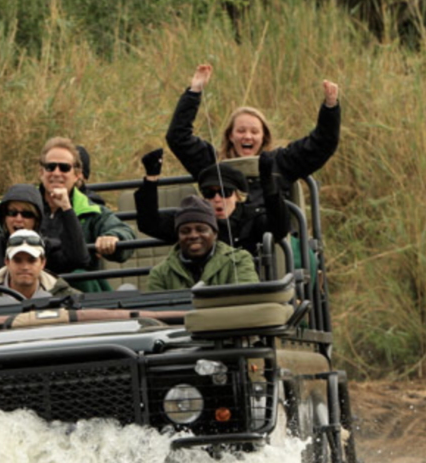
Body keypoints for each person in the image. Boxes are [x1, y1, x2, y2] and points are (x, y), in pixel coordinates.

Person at [0, 137, 136, 291]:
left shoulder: (91, 210)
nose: (56, 173)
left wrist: (113, 238)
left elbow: (125, 233)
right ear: (41, 172)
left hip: (75, 291)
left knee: (80, 276)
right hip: (25, 285)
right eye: (50, 167)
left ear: (77, 174)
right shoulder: (23, 206)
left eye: (64, 168)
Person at [165, 64, 340, 203]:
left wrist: (330, 108)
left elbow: (322, 144)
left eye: (254, 132)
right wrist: (194, 92)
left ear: (264, 136)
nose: (247, 136)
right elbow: (178, 138)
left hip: (271, 243)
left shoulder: (281, 163)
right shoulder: (213, 164)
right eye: (241, 131)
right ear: (230, 136)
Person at [135, 150, 289, 256]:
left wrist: (269, 183)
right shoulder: (193, 218)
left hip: (249, 290)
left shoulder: (254, 218)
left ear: (238, 195)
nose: (217, 199)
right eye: (209, 193)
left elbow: (280, 229)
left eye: (225, 192)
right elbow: (149, 224)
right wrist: (151, 179)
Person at [146, 196, 258, 292]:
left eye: (201, 229)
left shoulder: (239, 260)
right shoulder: (160, 273)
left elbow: (246, 300)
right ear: (178, 236)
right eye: (185, 231)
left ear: (215, 233)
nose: (193, 236)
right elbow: (155, 311)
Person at [0, 230, 79, 300]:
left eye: (32, 261)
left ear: (42, 263)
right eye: (17, 260)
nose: (25, 267)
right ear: (7, 262)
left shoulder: (64, 295)